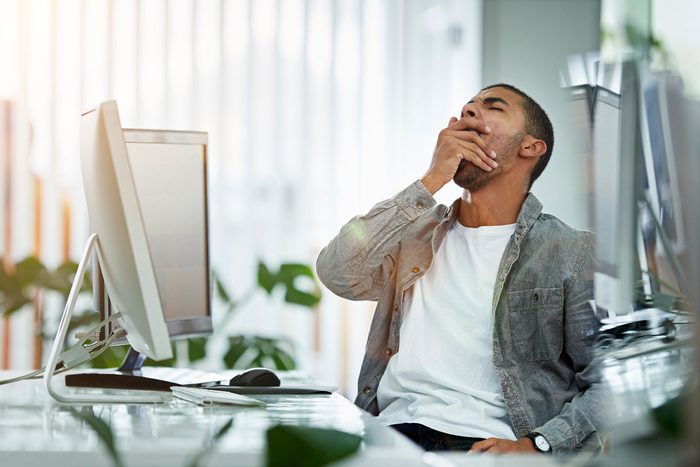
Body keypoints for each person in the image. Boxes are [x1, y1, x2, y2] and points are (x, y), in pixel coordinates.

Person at [316, 84, 607, 455]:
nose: (469, 111)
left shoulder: (571, 251)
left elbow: (608, 382)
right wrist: (429, 181)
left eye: (492, 107)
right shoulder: (415, 235)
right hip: (389, 437)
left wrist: (538, 445)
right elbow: (336, 271)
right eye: (467, 107)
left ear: (530, 147)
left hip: (486, 446)